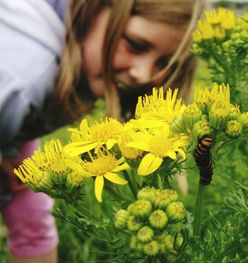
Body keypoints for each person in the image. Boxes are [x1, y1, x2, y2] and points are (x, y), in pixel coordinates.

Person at [0, 0, 204, 262]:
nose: (143, 75)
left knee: (32, 218)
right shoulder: (21, 81)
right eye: (136, 44)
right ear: (96, 8)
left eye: (164, 62)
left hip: (16, 131)